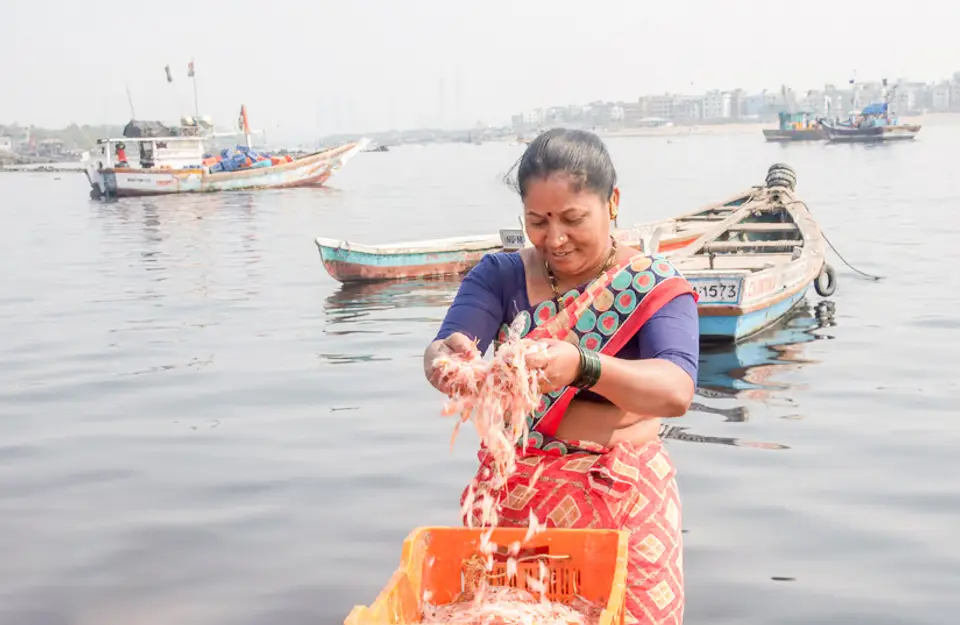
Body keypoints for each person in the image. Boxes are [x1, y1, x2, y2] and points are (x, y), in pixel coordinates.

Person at [423, 128, 700, 625]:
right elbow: (446, 349)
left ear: (612, 202)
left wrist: (582, 366)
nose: (555, 238)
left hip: (621, 498)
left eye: (573, 219)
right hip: (514, 499)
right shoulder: (498, 275)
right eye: (537, 221)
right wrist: (446, 359)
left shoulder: (654, 287)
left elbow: (676, 390)